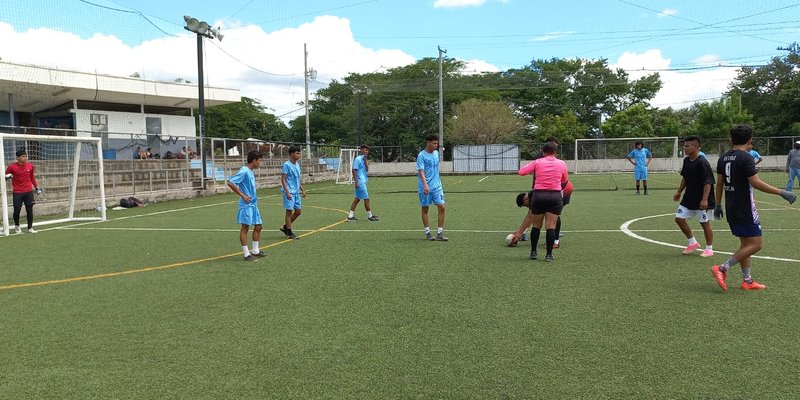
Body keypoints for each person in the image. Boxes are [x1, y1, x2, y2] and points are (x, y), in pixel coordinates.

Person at [711, 124, 797, 291]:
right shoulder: (746, 158)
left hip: (731, 206)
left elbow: (720, 183)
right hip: (745, 207)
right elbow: (755, 182)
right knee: (756, 244)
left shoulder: (723, 158)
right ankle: (722, 268)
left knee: (746, 244)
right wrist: (782, 192)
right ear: (750, 140)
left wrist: (718, 204)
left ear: (731, 139)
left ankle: (747, 280)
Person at [517, 142, 568, 262]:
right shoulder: (562, 163)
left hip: (538, 196)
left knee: (536, 226)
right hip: (554, 196)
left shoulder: (538, 162)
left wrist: (535, 165)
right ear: (556, 152)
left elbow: (521, 172)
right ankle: (549, 255)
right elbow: (564, 179)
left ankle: (533, 252)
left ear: (543, 152)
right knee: (551, 226)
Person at [672, 136, 716, 258]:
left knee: (704, 223)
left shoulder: (702, 162)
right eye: (684, 146)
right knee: (679, 219)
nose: (684, 148)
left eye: (687, 146)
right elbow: (685, 178)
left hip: (702, 199)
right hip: (689, 197)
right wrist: (679, 192)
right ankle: (693, 242)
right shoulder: (686, 160)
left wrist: (705, 199)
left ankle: (709, 249)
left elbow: (708, 182)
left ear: (696, 147)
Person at [226, 151, 267, 261]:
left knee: (258, 226)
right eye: (259, 160)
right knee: (245, 228)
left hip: (253, 205)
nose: (260, 163)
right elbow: (230, 182)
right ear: (254, 160)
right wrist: (242, 194)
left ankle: (255, 250)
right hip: (246, 205)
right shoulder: (244, 171)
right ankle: (246, 254)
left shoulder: (250, 171)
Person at [417, 134, 447, 241]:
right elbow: (421, 171)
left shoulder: (436, 154)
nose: (435, 145)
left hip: (437, 187)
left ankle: (440, 233)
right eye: (433, 143)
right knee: (425, 208)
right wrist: (425, 185)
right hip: (425, 187)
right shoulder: (421, 156)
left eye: (436, 143)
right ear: (428, 143)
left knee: (442, 207)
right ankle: (428, 232)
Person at [4, 149, 42, 234]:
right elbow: (4, 177)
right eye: (23, 156)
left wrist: (37, 187)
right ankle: (17, 226)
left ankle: (30, 227)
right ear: (18, 158)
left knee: (30, 210)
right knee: (17, 210)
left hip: (28, 192)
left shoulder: (30, 166)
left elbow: (32, 178)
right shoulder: (12, 167)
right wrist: (8, 176)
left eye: (26, 156)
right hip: (17, 192)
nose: (25, 158)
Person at [280, 145, 306, 240]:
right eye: (297, 153)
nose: (299, 155)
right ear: (291, 154)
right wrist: (287, 192)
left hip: (296, 192)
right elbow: (283, 179)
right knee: (289, 212)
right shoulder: (286, 165)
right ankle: (289, 233)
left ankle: (286, 227)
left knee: (298, 212)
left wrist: (302, 190)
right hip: (289, 192)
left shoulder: (297, 165)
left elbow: (297, 179)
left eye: (299, 153)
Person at [347, 144, 379, 222]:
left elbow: (367, 169)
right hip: (360, 182)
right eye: (365, 150)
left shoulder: (364, 159)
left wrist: (365, 161)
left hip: (363, 181)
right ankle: (370, 216)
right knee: (366, 198)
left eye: (367, 150)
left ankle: (350, 216)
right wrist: (356, 182)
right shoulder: (358, 159)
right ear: (361, 150)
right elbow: (354, 170)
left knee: (357, 199)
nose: (366, 152)